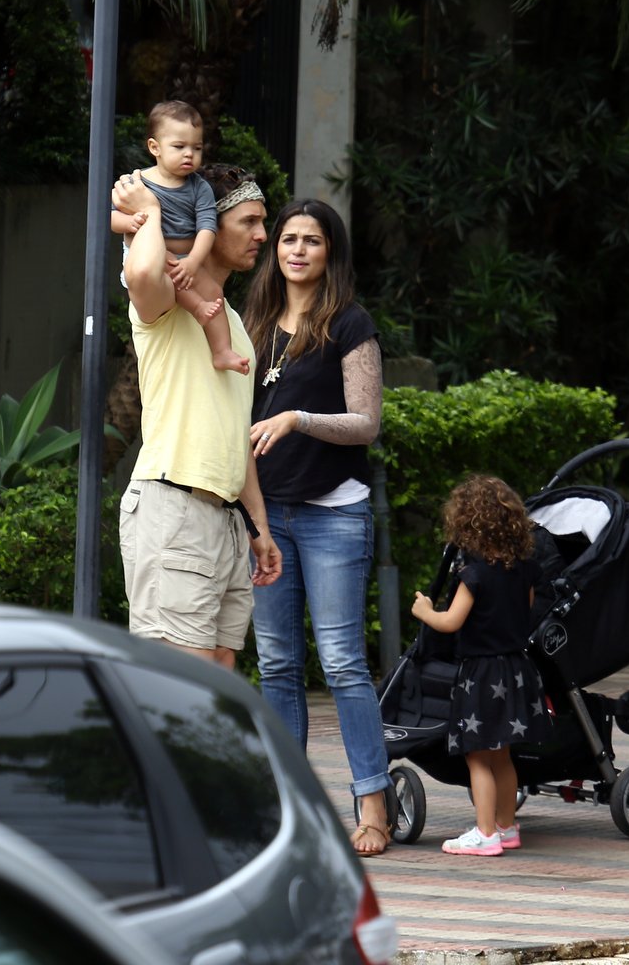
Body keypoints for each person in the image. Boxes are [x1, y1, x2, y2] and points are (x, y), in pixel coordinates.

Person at [243, 198, 392, 857]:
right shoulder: (252, 322)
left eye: (311, 240)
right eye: (287, 239)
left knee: (342, 663)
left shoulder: (349, 323)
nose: (297, 250)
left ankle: (373, 807)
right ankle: (291, 810)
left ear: (331, 252)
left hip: (333, 511)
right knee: (277, 664)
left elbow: (366, 424)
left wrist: (297, 419)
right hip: (265, 515)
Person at [113, 162, 282, 669]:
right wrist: (151, 209)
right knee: (185, 683)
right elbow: (141, 272)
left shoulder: (229, 323)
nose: (262, 235)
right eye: (248, 221)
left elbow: (233, 432)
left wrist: (259, 527)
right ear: (205, 222)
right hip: (174, 505)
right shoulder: (170, 298)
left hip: (225, 516)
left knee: (221, 671)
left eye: (262, 222)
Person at [411, 475, 553, 856]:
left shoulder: (473, 575)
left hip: (482, 674)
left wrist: (425, 611)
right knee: (503, 756)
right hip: (516, 669)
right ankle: (506, 828)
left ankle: (485, 834)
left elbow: (451, 621)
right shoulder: (524, 570)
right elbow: (525, 612)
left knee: (477, 757)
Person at [111, 101, 249, 375]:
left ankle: (222, 351)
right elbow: (111, 218)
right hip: (151, 255)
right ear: (155, 147)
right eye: (179, 146)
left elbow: (207, 228)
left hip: (186, 258)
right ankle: (197, 308)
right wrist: (130, 222)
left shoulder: (199, 188)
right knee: (171, 274)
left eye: (197, 148)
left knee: (214, 292)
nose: (189, 154)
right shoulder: (138, 184)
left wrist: (194, 261)